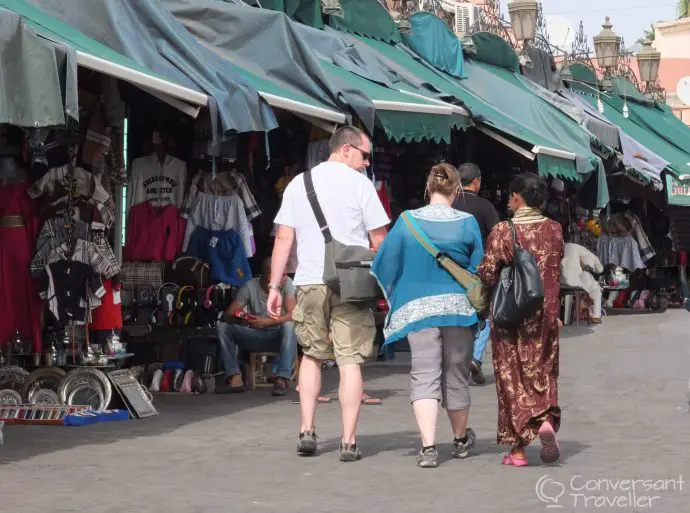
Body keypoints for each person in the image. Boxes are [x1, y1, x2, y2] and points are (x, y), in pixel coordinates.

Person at [267, 126, 389, 462]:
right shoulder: (361, 186)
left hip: (308, 280)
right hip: (350, 281)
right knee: (350, 360)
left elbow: (283, 240)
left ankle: (306, 430)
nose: (367, 163)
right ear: (346, 149)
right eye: (365, 155)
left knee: (311, 355)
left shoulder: (298, 184)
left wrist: (275, 287)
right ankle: (348, 442)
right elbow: (380, 242)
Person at [372, 163, 484, 468]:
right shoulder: (468, 222)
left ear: (427, 187)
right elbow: (479, 268)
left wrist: (399, 291)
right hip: (459, 311)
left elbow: (384, 263)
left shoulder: (407, 221)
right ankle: (460, 441)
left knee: (424, 374)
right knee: (456, 373)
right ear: (457, 189)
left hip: (418, 309)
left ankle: (428, 447)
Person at [477, 172, 564, 467]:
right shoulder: (554, 230)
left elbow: (488, 273)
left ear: (517, 197)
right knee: (543, 370)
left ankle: (517, 451)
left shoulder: (503, 231)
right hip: (545, 314)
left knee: (511, 377)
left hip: (510, 317)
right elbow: (555, 270)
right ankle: (545, 420)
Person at [215, 258, 297, 396]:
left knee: (289, 325)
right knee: (223, 327)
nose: (286, 277)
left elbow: (293, 314)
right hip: (255, 335)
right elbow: (227, 315)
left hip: (280, 337)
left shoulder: (287, 284)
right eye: (283, 274)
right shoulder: (250, 286)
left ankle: (282, 378)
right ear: (272, 277)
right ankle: (235, 379)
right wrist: (242, 319)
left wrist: (268, 322)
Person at [452, 163, 500, 386]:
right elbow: (498, 237)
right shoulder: (485, 206)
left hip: (448, 269)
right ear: (477, 181)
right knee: (484, 314)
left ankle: (452, 360)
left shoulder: (447, 204)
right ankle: (474, 358)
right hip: (476, 271)